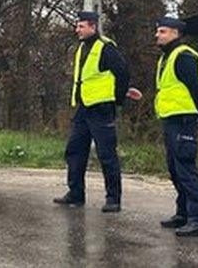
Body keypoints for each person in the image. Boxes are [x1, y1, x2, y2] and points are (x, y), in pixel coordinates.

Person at [54, 11, 138, 212]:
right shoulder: (82, 48)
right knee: (74, 151)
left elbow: (122, 72)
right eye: (77, 26)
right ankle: (75, 193)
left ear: (92, 27)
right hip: (84, 108)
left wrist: (117, 99)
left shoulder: (106, 48)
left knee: (106, 154)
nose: (77, 30)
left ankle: (113, 199)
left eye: (81, 26)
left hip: (101, 109)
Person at [154, 17, 198, 237]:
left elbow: (197, 90)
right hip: (171, 119)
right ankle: (183, 213)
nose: (157, 35)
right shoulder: (167, 57)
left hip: (184, 119)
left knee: (186, 169)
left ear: (176, 33)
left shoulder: (183, 56)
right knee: (175, 169)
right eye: (158, 31)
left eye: (163, 31)